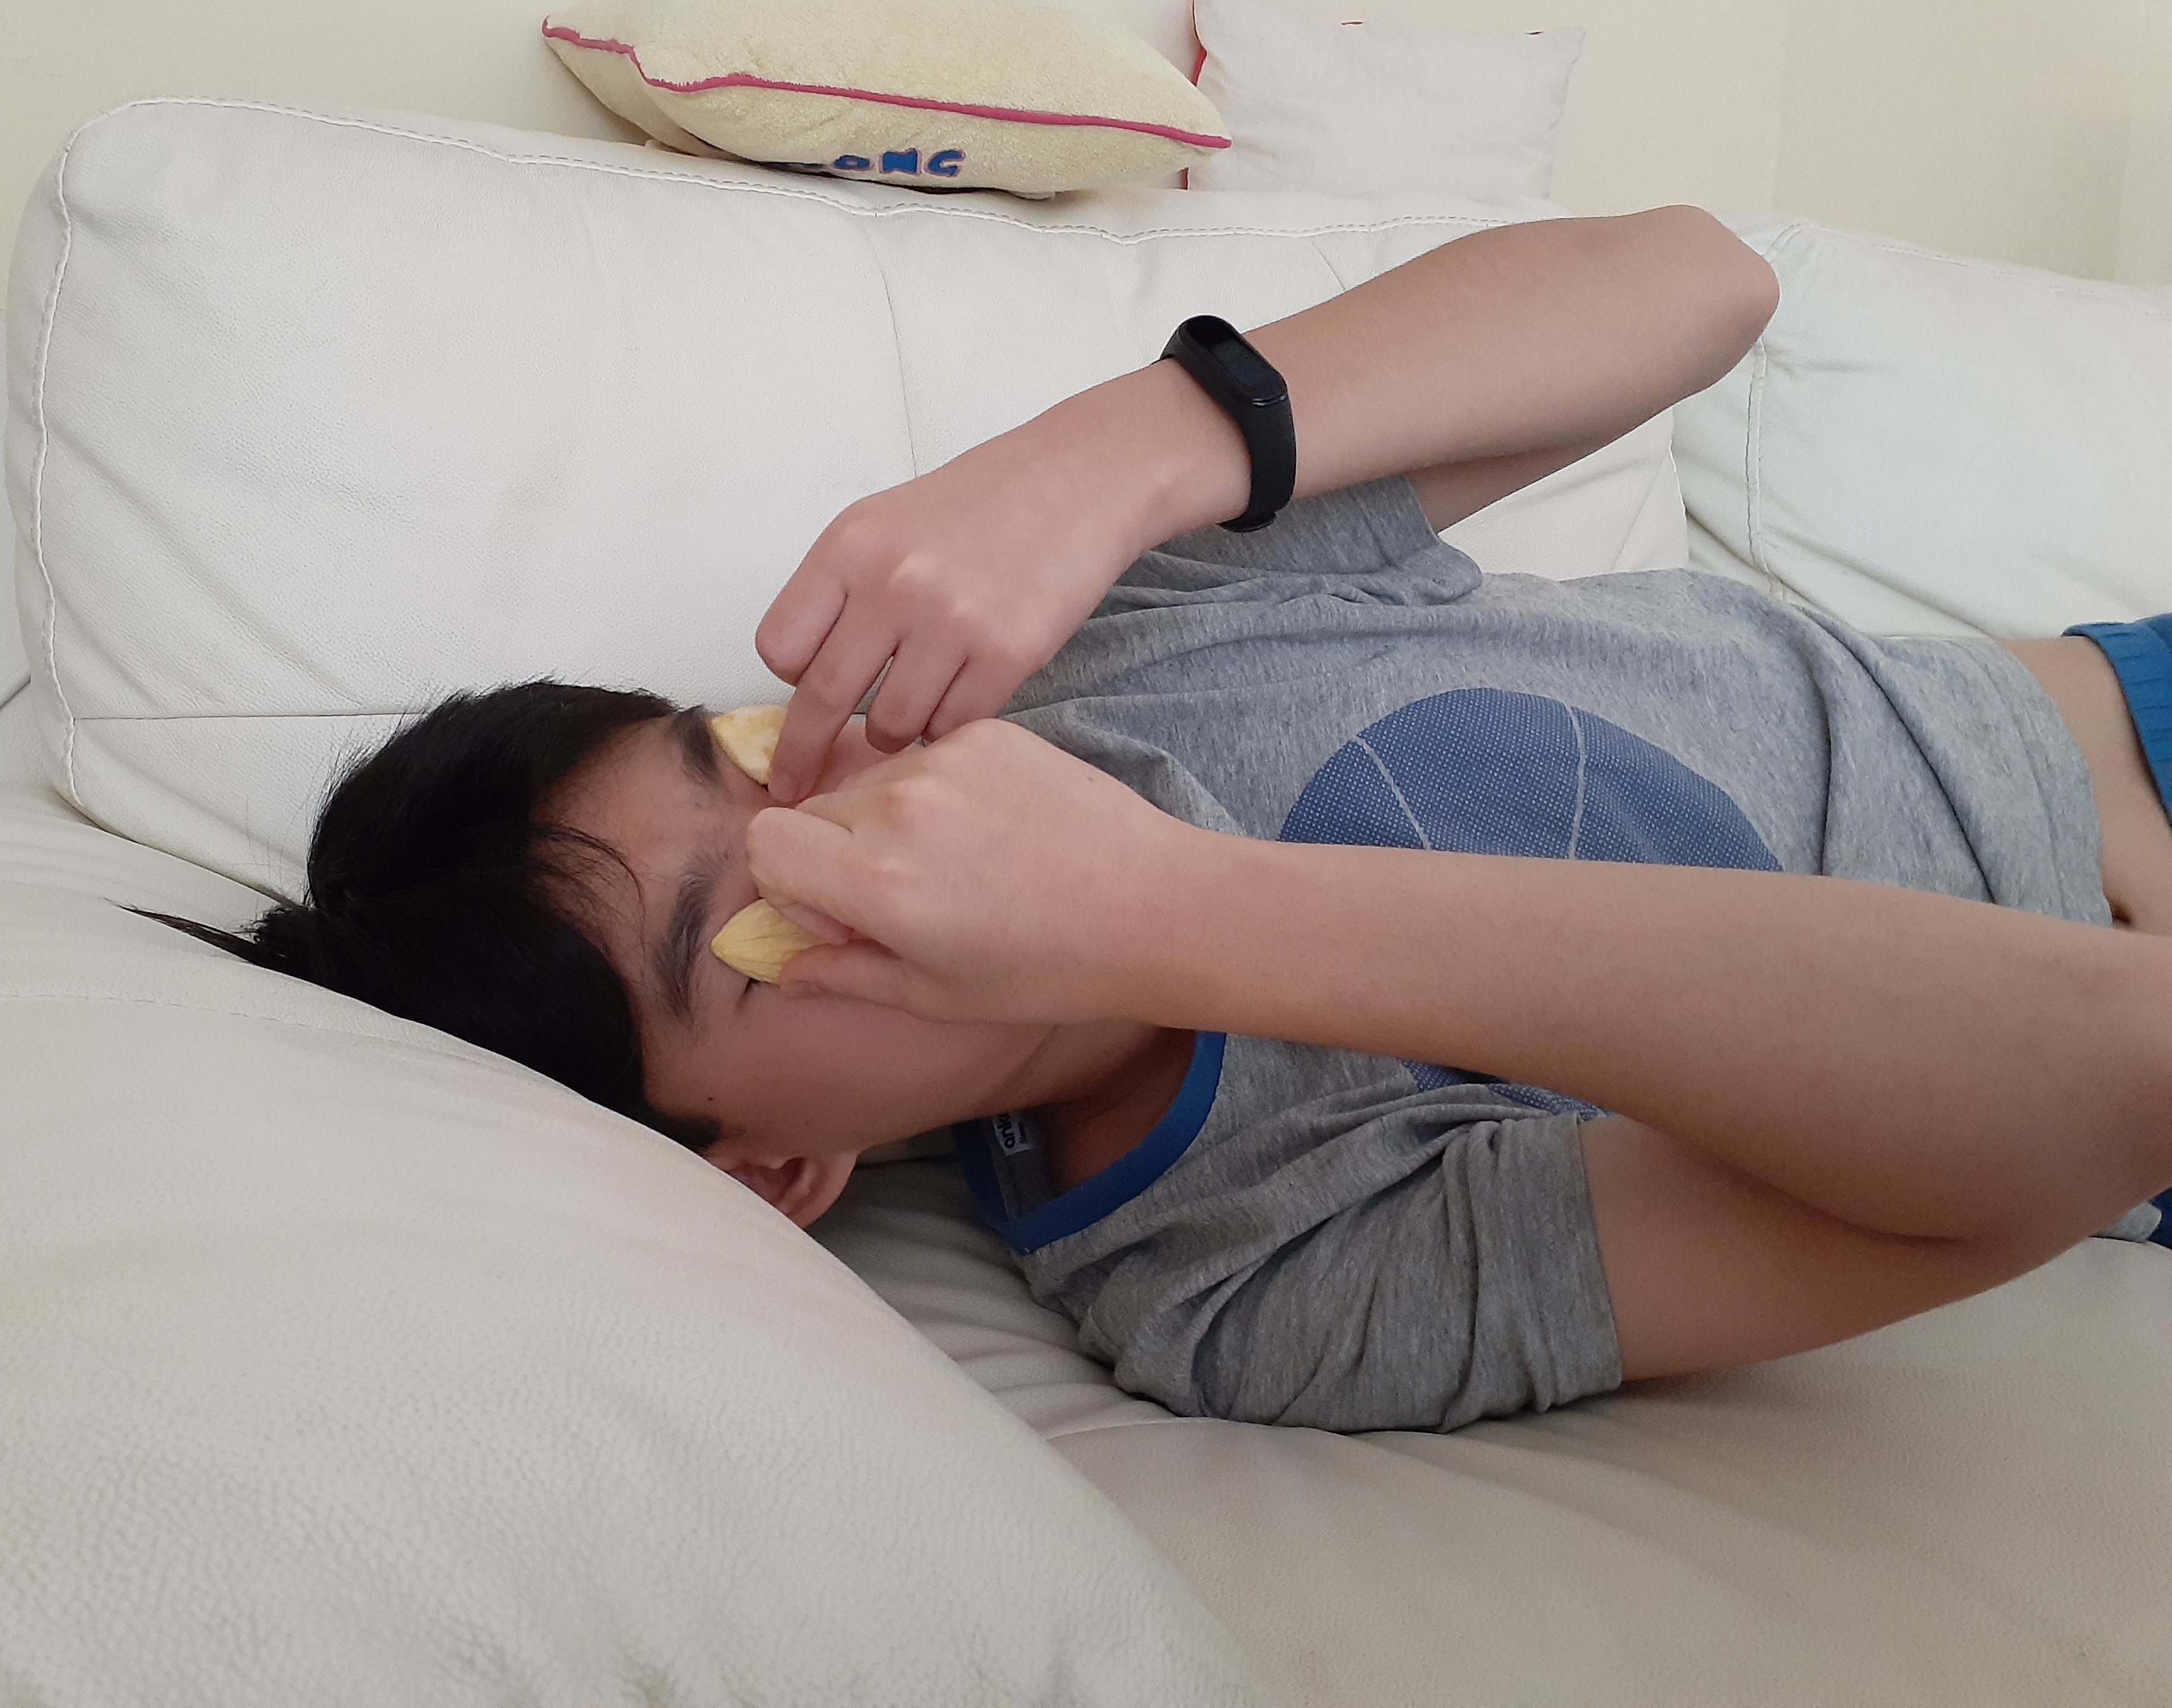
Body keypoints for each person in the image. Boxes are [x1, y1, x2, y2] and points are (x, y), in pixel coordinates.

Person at [157, 207, 2172, 1433]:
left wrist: (1128, 447)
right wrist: (1169, 919)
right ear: (776, 1175)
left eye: (758, 760)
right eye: (757, 937)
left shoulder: (1090, 647)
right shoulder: (1235, 1279)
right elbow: (2112, 1080)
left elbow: (1699, 282)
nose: (857, 819)